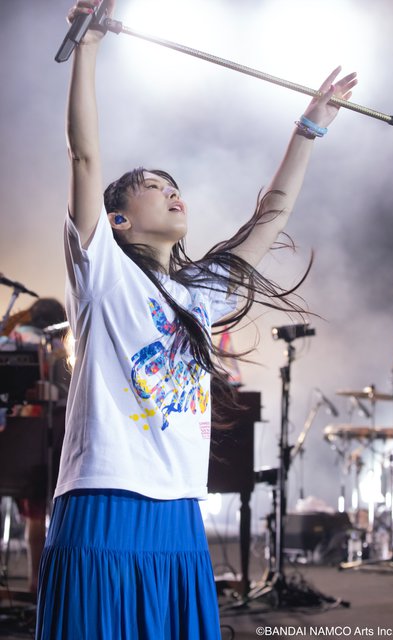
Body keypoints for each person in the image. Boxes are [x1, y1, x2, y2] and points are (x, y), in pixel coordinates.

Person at [35, 1, 357, 638]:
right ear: (119, 220)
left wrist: (308, 130)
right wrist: (88, 49)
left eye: (173, 183)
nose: (171, 190)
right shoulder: (102, 268)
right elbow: (84, 159)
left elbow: (271, 217)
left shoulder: (199, 292)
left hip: (178, 505)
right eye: (153, 186)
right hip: (105, 498)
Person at [0, 298, 69, 593]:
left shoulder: (8, 340)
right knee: (40, 509)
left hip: (8, 452)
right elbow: (67, 397)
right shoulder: (53, 350)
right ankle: (38, 587)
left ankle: (32, 585)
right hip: (39, 457)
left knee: (33, 508)